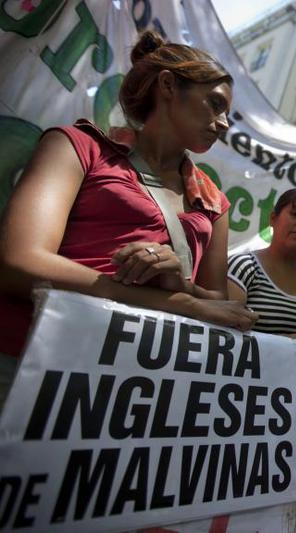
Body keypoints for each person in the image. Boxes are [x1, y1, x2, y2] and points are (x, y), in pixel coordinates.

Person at [0, 30, 257, 408]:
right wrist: (176, 302)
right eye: (214, 104)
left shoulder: (215, 202)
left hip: (134, 389)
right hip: (27, 361)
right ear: (168, 86)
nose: (222, 124)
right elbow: (17, 263)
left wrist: (176, 281)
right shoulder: (75, 146)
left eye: (227, 114)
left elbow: (216, 301)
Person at [226, 188, 296, 505]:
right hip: (239, 420)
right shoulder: (243, 268)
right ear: (274, 218)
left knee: (277, 511)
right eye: (295, 214)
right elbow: (225, 342)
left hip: (294, 428)